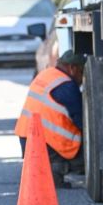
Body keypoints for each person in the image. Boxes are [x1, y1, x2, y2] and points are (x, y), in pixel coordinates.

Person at [14, 50, 85, 189]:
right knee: (86, 150)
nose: (82, 79)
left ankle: (42, 174)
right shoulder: (67, 86)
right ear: (73, 68)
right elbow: (81, 121)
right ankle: (55, 173)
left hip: (27, 137)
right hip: (47, 142)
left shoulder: (46, 74)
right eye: (81, 73)